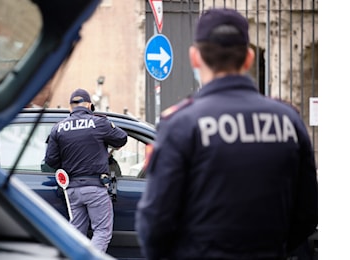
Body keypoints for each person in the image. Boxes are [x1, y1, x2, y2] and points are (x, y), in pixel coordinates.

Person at [135, 8, 318, 260]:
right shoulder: (289, 121)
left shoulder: (181, 124)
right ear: (249, 58)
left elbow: (154, 224)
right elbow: (307, 213)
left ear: (195, 58)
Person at [45, 88, 127, 252]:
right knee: (102, 232)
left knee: (76, 234)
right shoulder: (99, 123)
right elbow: (122, 138)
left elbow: (51, 160)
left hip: (72, 190)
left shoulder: (58, 128)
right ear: (89, 105)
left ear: (71, 107)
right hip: (95, 187)